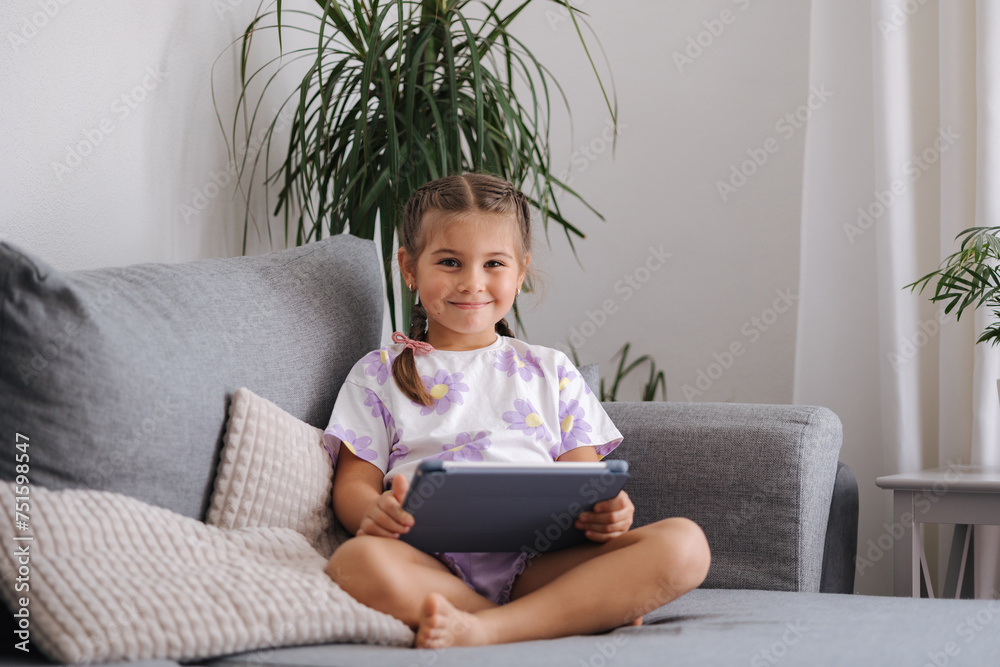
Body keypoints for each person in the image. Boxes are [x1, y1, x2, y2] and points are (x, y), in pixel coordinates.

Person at [323, 173, 710, 648]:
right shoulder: (378, 373)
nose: (471, 282)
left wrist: (608, 512)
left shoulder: (550, 369)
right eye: (449, 262)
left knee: (685, 545)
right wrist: (372, 512)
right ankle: (563, 617)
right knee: (352, 562)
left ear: (520, 272)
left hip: (539, 565)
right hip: (428, 565)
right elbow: (353, 484)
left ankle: (488, 628)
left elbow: (586, 485)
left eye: (494, 264)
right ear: (409, 268)